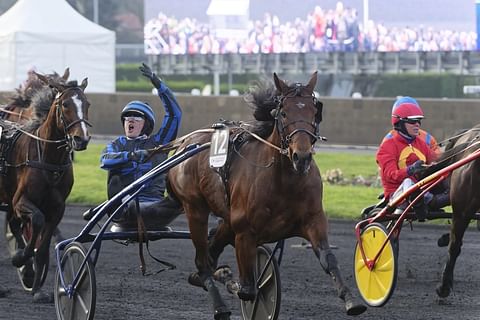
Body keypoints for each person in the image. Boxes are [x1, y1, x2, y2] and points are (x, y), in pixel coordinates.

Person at [98, 63, 183, 230]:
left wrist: (159, 85)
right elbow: (104, 160)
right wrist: (131, 156)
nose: (130, 120)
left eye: (136, 117)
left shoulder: (159, 143)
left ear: (146, 124)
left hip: (155, 207)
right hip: (124, 207)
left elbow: (175, 115)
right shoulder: (117, 144)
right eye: (127, 117)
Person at [376, 96, 449, 220]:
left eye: (419, 121)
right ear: (400, 123)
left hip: (420, 190)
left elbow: (435, 162)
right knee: (408, 182)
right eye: (412, 121)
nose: (417, 125)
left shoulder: (421, 144)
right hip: (397, 195)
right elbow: (391, 175)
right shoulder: (388, 146)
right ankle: (432, 202)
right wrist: (411, 169)